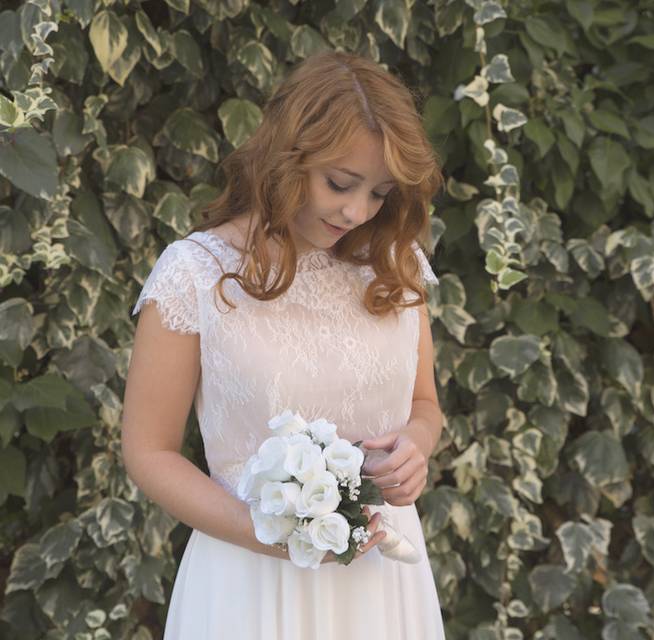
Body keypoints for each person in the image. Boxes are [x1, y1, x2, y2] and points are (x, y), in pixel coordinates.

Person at [121, 50, 446, 639]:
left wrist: (415, 448)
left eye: (379, 192)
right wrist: (270, 534)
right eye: (340, 184)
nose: (357, 211)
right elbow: (149, 451)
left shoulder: (395, 265)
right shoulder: (193, 274)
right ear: (287, 156)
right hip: (249, 579)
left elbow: (424, 406)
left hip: (380, 576)